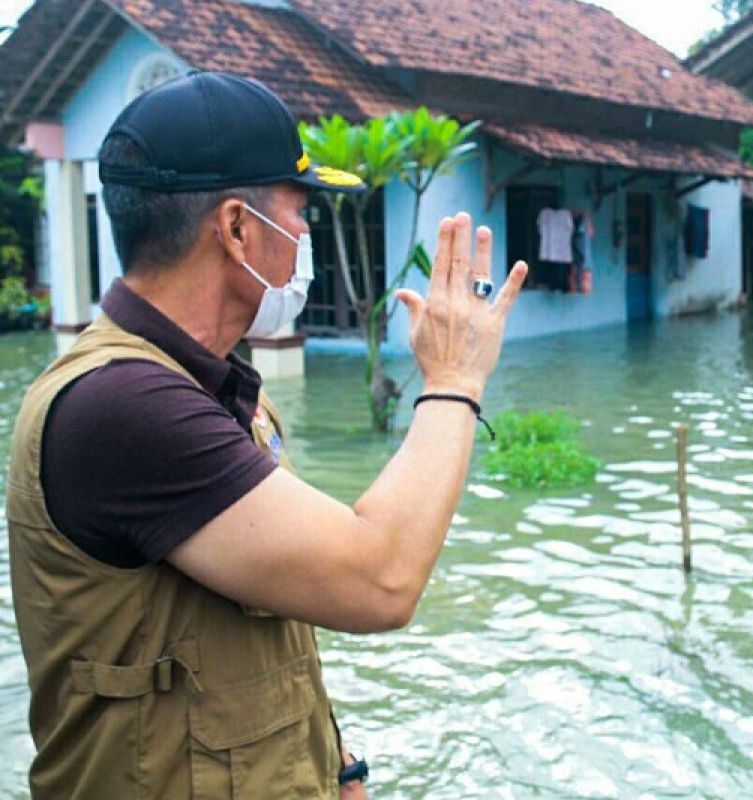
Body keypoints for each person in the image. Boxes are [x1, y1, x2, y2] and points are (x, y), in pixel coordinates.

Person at [5, 72, 528, 799]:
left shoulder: (212, 387)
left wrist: (336, 762)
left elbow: (262, 623)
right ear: (237, 228)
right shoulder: (122, 405)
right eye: (300, 211)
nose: (308, 235)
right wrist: (453, 380)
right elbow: (380, 579)